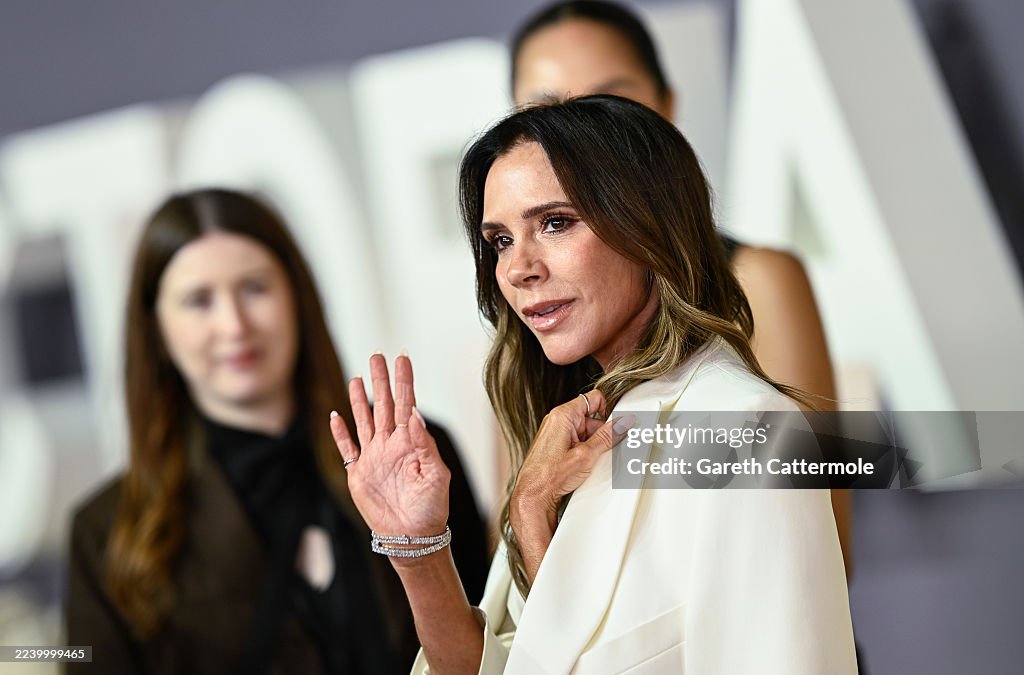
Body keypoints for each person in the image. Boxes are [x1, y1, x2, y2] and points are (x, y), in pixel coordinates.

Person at [330, 96, 856, 673]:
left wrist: (532, 514)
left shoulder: (747, 430)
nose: (518, 268)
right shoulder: (569, 432)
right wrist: (421, 553)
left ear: (649, 227)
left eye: (555, 223)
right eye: (500, 240)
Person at [65, 188, 490, 674]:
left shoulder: (414, 454)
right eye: (199, 300)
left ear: (296, 297)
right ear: (156, 329)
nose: (234, 325)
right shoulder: (104, 531)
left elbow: (497, 648)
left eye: (254, 288)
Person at [508, 0, 852, 576]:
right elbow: (510, 556)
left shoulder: (757, 279)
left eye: (609, 102)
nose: (581, 135)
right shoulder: (529, 313)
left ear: (667, 107)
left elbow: (820, 538)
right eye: (548, 111)